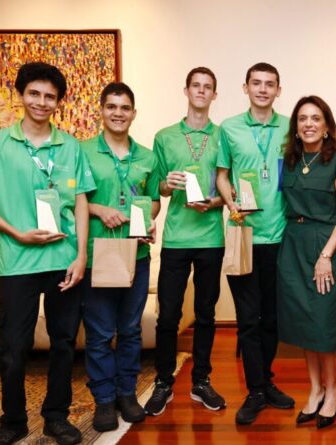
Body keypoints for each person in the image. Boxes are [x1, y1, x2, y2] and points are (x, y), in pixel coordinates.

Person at [0, 62, 95, 445]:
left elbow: (82, 202)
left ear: (59, 102)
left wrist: (81, 255)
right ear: (21, 95)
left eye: (50, 96)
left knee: (64, 343)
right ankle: (13, 421)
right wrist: (16, 231)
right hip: (18, 262)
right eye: (34, 93)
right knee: (13, 346)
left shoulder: (70, 146)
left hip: (63, 261)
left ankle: (56, 416)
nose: (41, 102)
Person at [144, 67, 227, 416]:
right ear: (186, 90)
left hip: (211, 237)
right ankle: (164, 382)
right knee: (169, 316)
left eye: (208, 87)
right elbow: (156, 188)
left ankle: (201, 382)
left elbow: (229, 189)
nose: (201, 92)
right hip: (176, 237)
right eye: (196, 86)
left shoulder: (225, 136)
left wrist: (216, 202)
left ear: (214, 95)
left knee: (206, 314)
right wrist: (168, 184)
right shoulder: (164, 137)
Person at [216, 62, 295, 425]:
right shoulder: (229, 128)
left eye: (270, 84)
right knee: (248, 319)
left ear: (279, 90)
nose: (263, 89)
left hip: (281, 237)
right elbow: (221, 176)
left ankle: (264, 383)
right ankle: (256, 390)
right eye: (256, 83)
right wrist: (231, 203)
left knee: (273, 318)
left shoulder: (290, 127)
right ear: (245, 87)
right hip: (244, 234)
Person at [80, 82, 161, 431]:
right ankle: (103, 400)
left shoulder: (147, 156)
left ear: (133, 113)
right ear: (101, 110)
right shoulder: (81, 151)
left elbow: (155, 199)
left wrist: (147, 220)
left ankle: (127, 393)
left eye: (124, 107)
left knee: (129, 330)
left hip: (136, 254)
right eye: (111, 106)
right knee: (98, 334)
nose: (118, 113)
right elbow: (71, 198)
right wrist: (99, 209)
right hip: (96, 256)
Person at [277, 96, 336, 429]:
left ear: (326, 126)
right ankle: (314, 390)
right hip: (292, 245)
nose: (309, 124)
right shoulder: (289, 160)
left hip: (326, 245)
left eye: (316, 118)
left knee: (323, 322)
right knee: (304, 323)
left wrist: (326, 256)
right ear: (296, 126)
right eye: (303, 119)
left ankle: (332, 389)